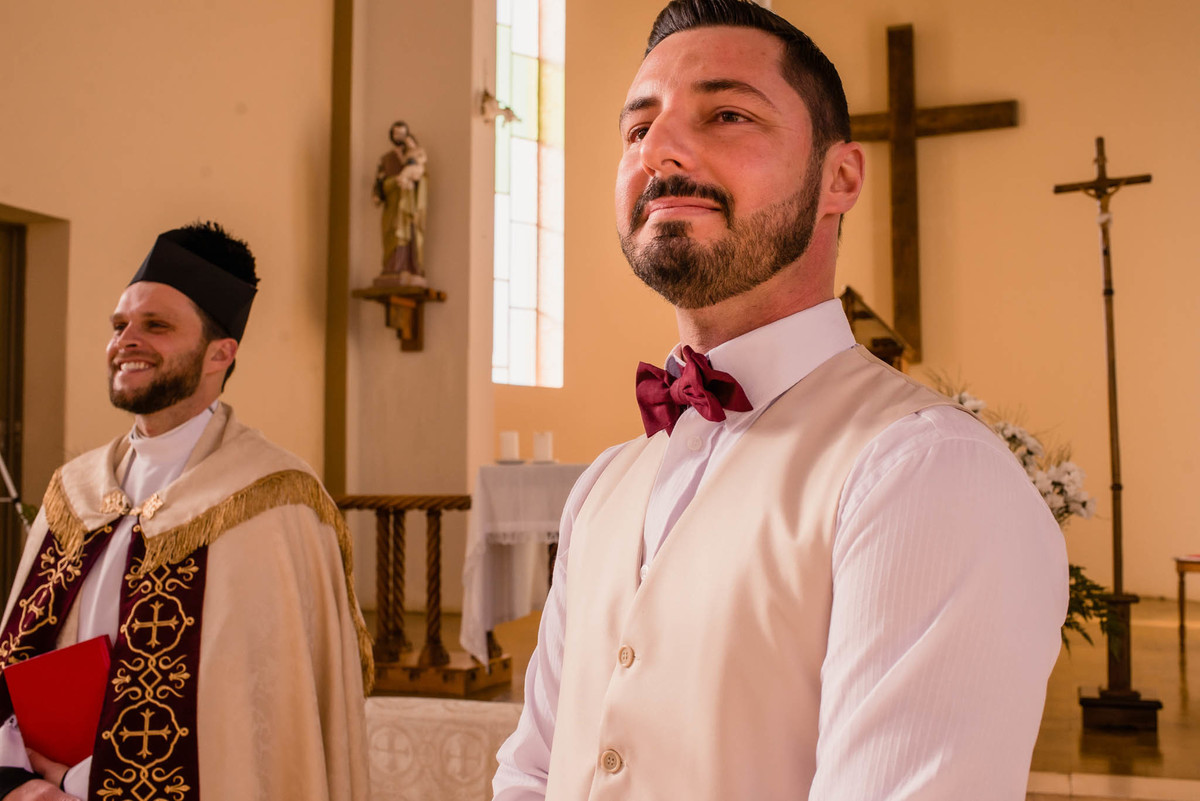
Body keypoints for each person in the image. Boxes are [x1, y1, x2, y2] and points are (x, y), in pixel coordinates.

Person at [492, 1, 1067, 799]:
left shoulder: (924, 472)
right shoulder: (603, 488)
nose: (660, 149)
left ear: (840, 178)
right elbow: (532, 770)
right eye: (638, 129)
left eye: (727, 113)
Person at [0, 222, 372, 801]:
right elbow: (18, 659)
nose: (127, 339)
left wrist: (84, 782)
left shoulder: (273, 500)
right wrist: (18, 784)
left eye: (157, 325)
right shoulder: (74, 492)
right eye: (120, 324)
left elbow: (263, 725)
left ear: (219, 355)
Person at [373, 120, 429, 287]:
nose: (400, 137)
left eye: (403, 133)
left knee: (408, 235)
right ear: (391, 135)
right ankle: (392, 267)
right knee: (393, 233)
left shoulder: (414, 155)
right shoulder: (386, 159)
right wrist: (393, 184)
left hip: (409, 206)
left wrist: (413, 181)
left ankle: (409, 266)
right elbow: (379, 183)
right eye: (396, 133)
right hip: (393, 206)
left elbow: (422, 179)